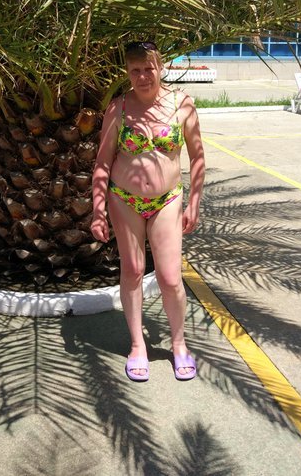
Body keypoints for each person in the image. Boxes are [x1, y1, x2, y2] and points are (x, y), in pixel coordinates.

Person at [91, 41, 205, 382]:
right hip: (124, 199)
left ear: (161, 67)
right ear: (127, 72)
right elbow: (102, 163)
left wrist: (194, 202)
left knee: (170, 277)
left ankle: (179, 344)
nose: (143, 76)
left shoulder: (182, 105)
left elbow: (197, 157)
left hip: (167, 200)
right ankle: (137, 345)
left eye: (149, 69)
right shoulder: (119, 108)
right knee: (133, 270)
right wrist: (98, 211)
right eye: (135, 70)